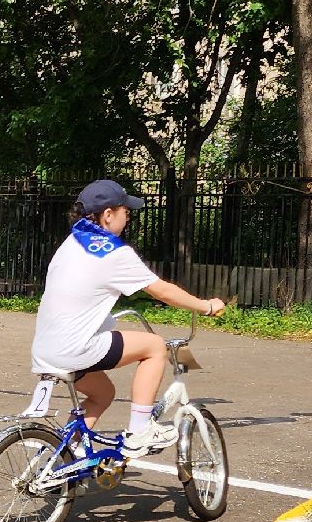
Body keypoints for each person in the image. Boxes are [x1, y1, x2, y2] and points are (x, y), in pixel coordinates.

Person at [28, 179, 226, 455]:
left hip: (46, 349)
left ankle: (62, 456)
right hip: (76, 349)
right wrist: (205, 306)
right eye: (126, 211)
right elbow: (162, 291)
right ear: (108, 215)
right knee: (155, 346)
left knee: (102, 394)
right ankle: (139, 430)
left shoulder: (72, 242)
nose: (129, 216)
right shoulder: (114, 252)